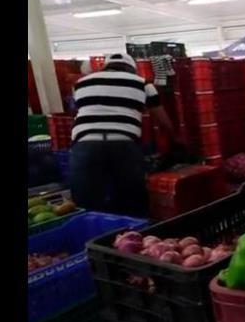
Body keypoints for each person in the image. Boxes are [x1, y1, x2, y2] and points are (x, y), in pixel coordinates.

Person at [69, 53, 177, 217]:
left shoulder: (81, 83)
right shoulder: (143, 83)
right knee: (132, 199)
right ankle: (132, 232)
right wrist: (175, 137)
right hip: (123, 144)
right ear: (131, 68)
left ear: (105, 66)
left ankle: (93, 234)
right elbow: (161, 118)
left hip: (85, 144)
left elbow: (81, 109)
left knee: (87, 201)